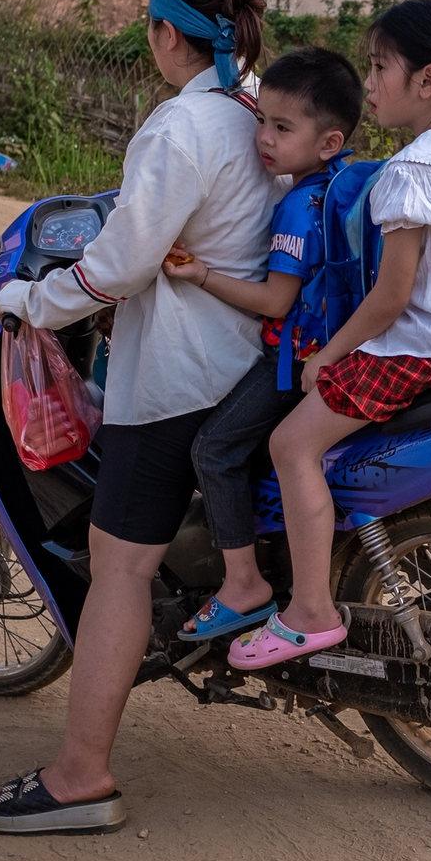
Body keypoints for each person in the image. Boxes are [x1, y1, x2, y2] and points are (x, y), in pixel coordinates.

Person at [0, 0, 280, 835]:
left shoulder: (180, 128)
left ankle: (80, 775)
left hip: (183, 376)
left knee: (120, 563)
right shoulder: (262, 106)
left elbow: (118, 264)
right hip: (257, 361)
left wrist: (34, 298)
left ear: (163, 32)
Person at [228, 0, 431, 671]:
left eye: (379, 67)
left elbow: (390, 299)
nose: (368, 84)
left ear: (426, 81)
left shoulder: (412, 171)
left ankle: (309, 611)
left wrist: (327, 355)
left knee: (289, 444)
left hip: (424, 353)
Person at [158, 47, 366, 640]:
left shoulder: (298, 206)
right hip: (346, 345)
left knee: (213, 449)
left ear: (327, 141)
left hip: (298, 360)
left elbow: (276, 302)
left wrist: (200, 274)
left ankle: (243, 582)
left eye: (281, 127)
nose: (263, 139)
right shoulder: (342, 184)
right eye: (261, 121)